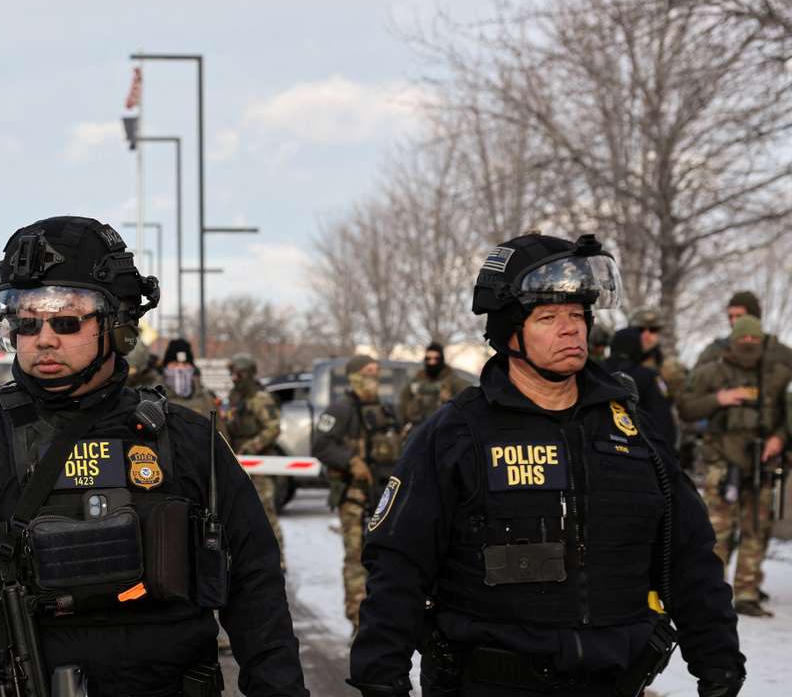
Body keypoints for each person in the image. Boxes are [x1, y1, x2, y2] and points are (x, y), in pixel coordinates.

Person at [0, 216, 307, 696]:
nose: (44, 338)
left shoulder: (185, 440)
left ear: (119, 324)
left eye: (67, 320)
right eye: (25, 320)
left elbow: (256, 583)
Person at [348, 233, 745, 697]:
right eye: (549, 317)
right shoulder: (458, 433)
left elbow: (690, 554)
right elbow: (399, 562)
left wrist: (718, 660)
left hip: (615, 684)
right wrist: (381, 671)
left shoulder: (633, 431)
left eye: (577, 315)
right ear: (509, 332)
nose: (571, 329)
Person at [678, 315, 791, 618]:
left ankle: (746, 593)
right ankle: (712, 592)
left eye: (755, 341)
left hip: (762, 461)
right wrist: (720, 398)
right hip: (722, 461)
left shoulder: (775, 375)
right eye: (744, 340)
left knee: (756, 527)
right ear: (734, 340)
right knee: (717, 531)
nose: (749, 346)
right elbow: (686, 408)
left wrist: (779, 439)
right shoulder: (712, 373)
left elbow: (786, 414)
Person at [311, 354, 403, 631]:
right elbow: (321, 445)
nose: (373, 376)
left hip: (384, 496)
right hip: (354, 496)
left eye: (376, 371)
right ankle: (359, 621)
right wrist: (351, 461)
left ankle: (384, 617)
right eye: (367, 371)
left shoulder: (387, 411)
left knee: (386, 559)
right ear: (353, 376)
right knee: (356, 559)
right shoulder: (340, 410)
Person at [224, 352, 285, 558]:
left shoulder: (260, 398)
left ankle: (278, 557)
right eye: (232, 374)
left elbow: (273, 428)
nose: (234, 378)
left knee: (265, 511)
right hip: (237, 461)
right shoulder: (235, 397)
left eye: (237, 374)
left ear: (247, 374)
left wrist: (252, 446)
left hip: (259, 462)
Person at [603, 327, 678, 447]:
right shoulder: (647, 375)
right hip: (640, 447)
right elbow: (662, 417)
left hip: (601, 445)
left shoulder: (594, 371)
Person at [696, 291, 792, 369]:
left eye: (739, 316)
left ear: (754, 317)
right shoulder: (716, 350)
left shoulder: (776, 350)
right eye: (731, 317)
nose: (734, 321)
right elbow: (693, 387)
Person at [398, 342, 469, 428]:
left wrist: (449, 400)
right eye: (428, 359)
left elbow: (465, 403)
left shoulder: (452, 380)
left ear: (441, 359)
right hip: (419, 427)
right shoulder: (418, 380)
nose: (432, 362)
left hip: (444, 427)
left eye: (436, 358)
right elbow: (403, 401)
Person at [626, 308, 688, 402]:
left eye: (653, 330)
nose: (647, 335)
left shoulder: (672, 368)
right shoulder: (616, 364)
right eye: (640, 330)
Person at [161, 337, 218, 418]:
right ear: (165, 368)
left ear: (193, 368)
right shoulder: (155, 399)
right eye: (175, 364)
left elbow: (219, 428)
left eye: (185, 364)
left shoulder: (207, 399)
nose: (180, 369)